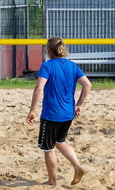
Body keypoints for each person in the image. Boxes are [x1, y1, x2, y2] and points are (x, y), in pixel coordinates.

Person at [26, 37, 91, 186]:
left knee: (48, 148)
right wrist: (79, 104)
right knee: (59, 141)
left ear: (48, 50)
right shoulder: (72, 66)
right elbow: (87, 85)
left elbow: (39, 88)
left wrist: (32, 110)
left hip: (51, 114)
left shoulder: (47, 66)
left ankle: (52, 181)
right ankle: (77, 166)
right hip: (68, 114)